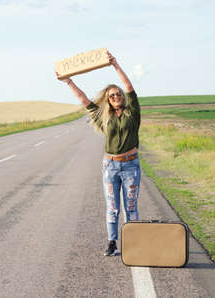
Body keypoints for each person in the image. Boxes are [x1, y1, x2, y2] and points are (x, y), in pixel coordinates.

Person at [56, 51, 141, 256]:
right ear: (108, 100)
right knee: (112, 207)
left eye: (118, 94)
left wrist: (116, 65)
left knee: (131, 206)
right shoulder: (102, 116)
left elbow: (129, 87)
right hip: (110, 166)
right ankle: (112, 242)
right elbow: (84, 100)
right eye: (111, 95)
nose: (116, 97)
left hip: (131, 165)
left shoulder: (133, 112)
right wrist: (69, 82)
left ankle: (133, 243)